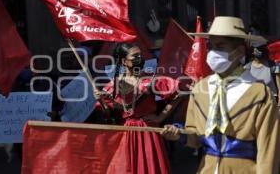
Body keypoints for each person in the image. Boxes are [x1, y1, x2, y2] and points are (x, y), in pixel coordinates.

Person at [161, 16, 280, 173]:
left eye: (220, 46)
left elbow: (268, 148)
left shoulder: (259, 93)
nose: (213, 52)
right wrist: (178, 134)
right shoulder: (200, 89)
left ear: (239, 51)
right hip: (207, 169)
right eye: (211, 46)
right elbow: (195, 135)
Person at [94, 43, 180, 174]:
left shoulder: (149, 79)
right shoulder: (113, 85)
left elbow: (178, 94)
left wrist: (160, 116)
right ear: (123, 61)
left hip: (149, 131)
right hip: (126, 133)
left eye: (140, 55)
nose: (140, 58)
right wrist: (101, 100)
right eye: (135, 56)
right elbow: (107, 113)